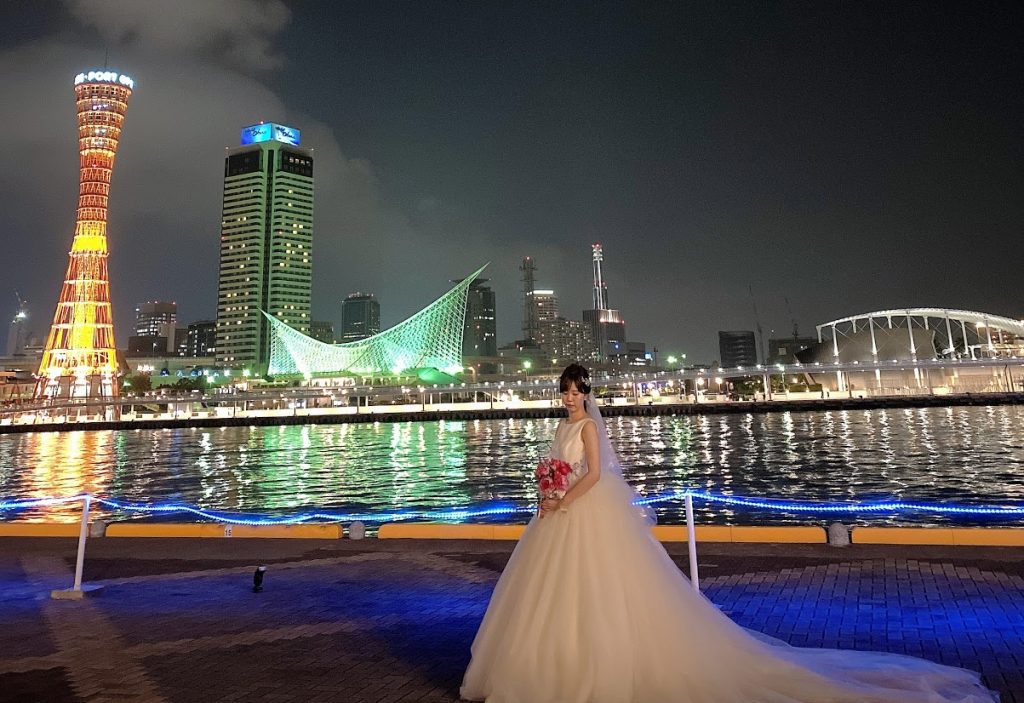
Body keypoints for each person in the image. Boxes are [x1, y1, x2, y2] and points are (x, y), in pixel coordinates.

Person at [460, 363, 998, 703]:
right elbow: (557, 466)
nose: (570, 398)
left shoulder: (588, 427)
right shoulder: (560, 426)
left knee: (599, 591)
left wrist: (565, 497)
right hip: (555, 515)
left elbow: (596, 474)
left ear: (587, 395)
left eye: (576, 391)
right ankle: (550, 668)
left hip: (582, 513)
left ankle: (590, 672)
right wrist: (548, 492)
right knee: (553, 594)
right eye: (565, 391)